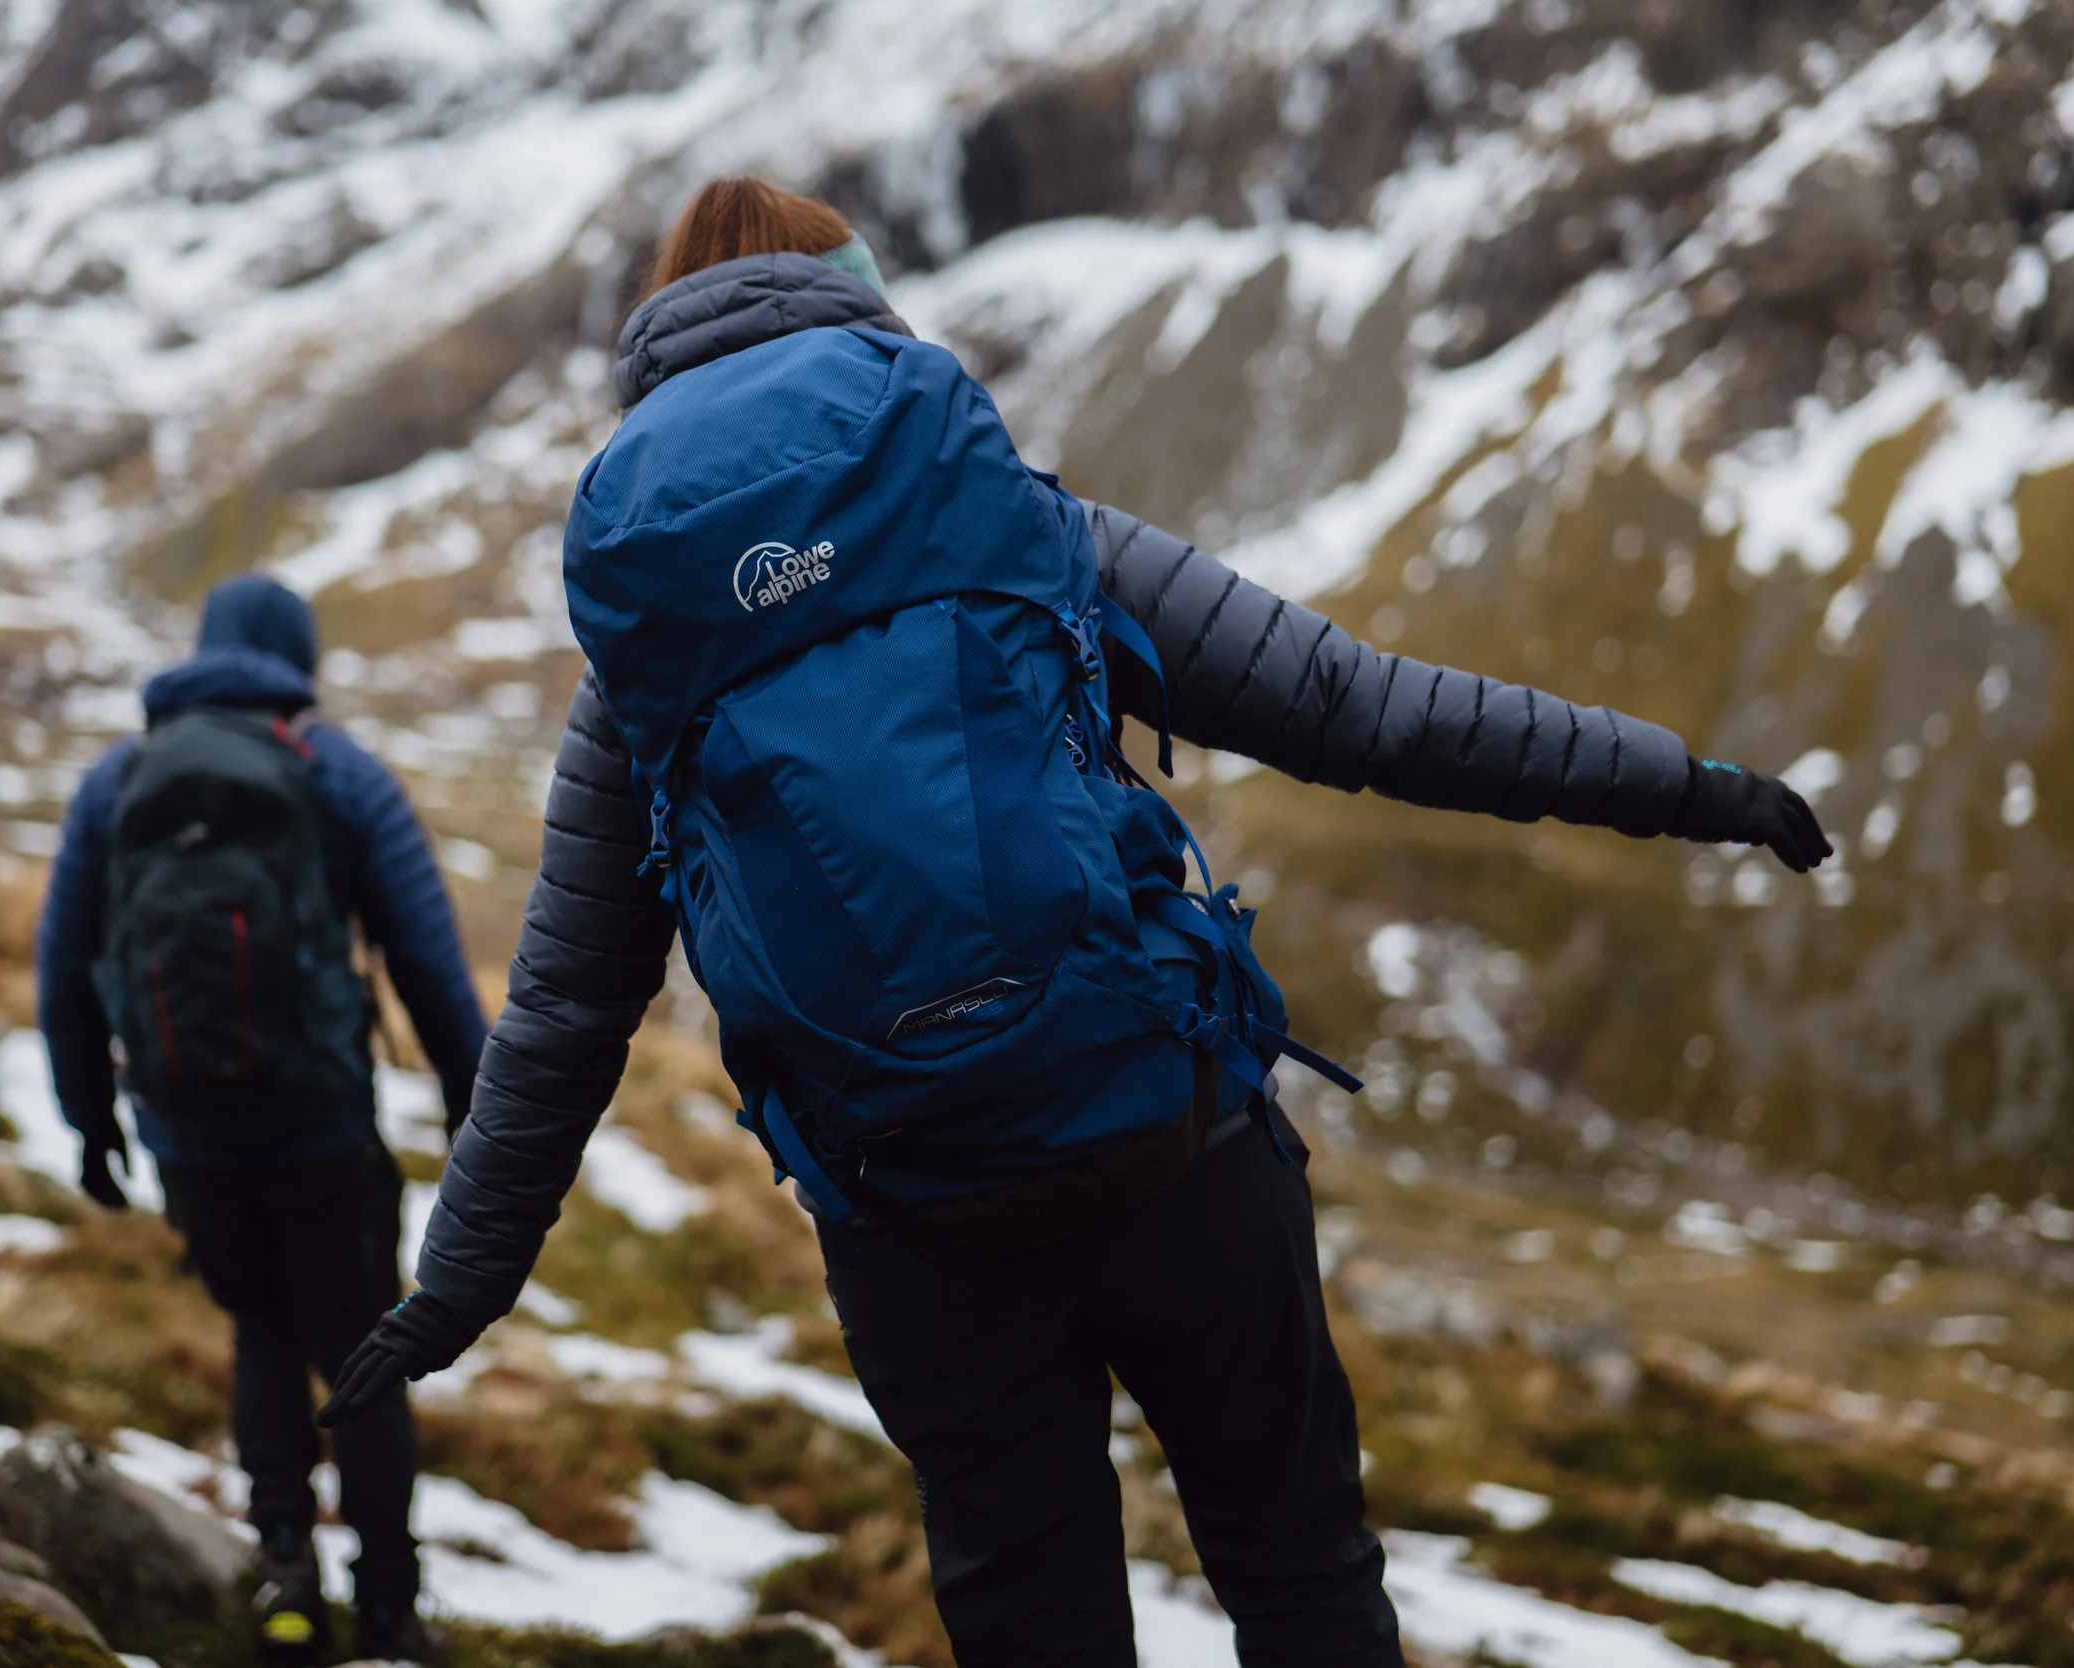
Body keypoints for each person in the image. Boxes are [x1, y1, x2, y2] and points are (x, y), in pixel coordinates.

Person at [318, 179, 1831, 1668]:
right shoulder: (1010, 518)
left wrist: (454, 1288)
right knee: (1300, 1575)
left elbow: (568, 1017)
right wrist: (1691, 786)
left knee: (1034, 1622)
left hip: (913, 1214)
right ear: (855, 304)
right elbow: (1359, 709)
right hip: (1166, 1138)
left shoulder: (645, 658)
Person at [37, 573, 485, 1666]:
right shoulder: (335, 771)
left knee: (262, 1332)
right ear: (298, 661)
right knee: (364, 1346)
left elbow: (63, 971)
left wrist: (92, 1122)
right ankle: (388, 1606)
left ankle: (285, 1581)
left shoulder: (116, 780)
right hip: (320, 1127)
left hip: (189, 1133)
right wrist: (483, 1109)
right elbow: (426, 958)